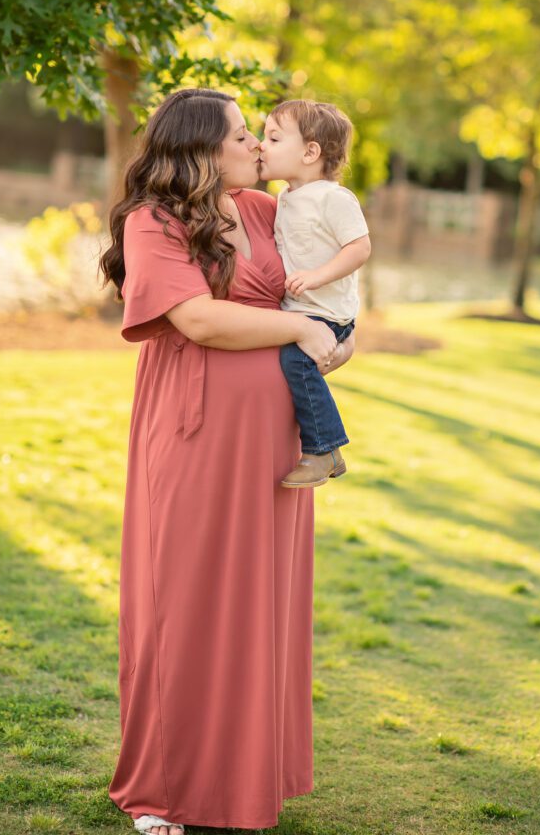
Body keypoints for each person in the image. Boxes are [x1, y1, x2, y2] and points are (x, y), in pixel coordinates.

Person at [98, 88, 355, 835]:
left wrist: (337, 336)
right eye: (243, 134)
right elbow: (198, 319)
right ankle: (161, 790)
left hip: (276, 442)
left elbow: (330, 289)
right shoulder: (155, 221)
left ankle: (244, 777)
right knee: (182, 601)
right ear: (200, 148)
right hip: (196, 432)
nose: (255, 146)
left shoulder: (269, 212)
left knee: (258, 602)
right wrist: (297, 332)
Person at [258, 100, 371, 489]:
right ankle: (321, 448)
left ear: (310, 152)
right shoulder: (285, 198)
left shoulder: (333, 198)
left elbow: (359, 247)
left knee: (296, 362)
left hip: (327, 313)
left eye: (274, 138)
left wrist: (317, 276)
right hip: (302, 311)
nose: (261, 145)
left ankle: (322, 449)